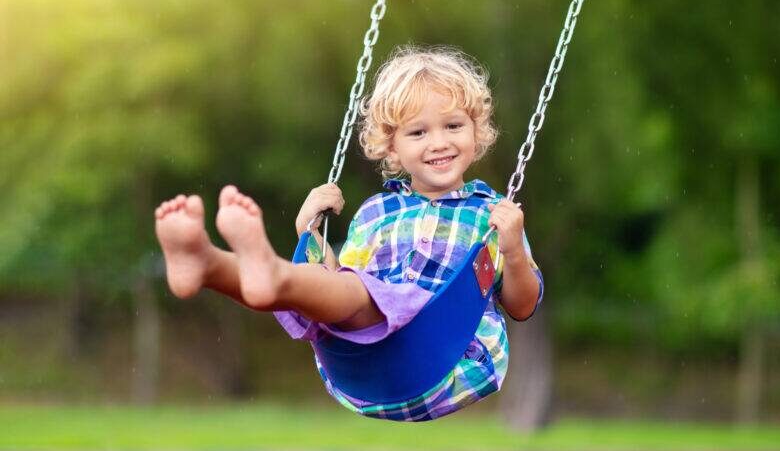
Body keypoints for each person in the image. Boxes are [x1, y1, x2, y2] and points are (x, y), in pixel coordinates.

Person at [154, 45, 543, 421]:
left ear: (477, 132)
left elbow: (523, 305)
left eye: (453, 126)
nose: (439, 142)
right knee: (343, 287)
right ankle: (209, 264)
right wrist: (309, 233)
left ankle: (267, 274)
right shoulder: (377, 212)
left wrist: (512, 251)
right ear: (392, 149)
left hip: (451, 358)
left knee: (357, 294)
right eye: (418, 133)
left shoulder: (494, 215)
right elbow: (342, 283)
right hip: (364, 361)